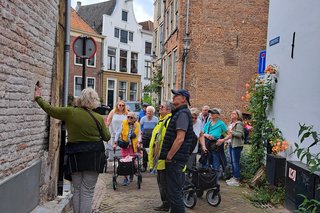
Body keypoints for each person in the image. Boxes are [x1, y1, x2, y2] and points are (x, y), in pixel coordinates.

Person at [34, 86, 110, 213]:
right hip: (94, 156)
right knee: (88, 191)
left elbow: (51, 110)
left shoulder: (70, 112)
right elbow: (107, 137)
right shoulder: (98, 117)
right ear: (94, 101)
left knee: (77, 189)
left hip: (75, 155)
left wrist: (38, 98)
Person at [159, 89, 194, 213]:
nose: (173, 97)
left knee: (174, 193)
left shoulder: (182, 114)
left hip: (175, 159)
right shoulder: (179, 113)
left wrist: (169, 155)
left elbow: (180, 138)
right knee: (172, 192)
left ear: (183, 99)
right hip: (176, 159)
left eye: (176, 95)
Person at [148, 101, 173, 212]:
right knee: (161, 182)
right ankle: (166, 203)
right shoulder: (161, 121)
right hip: (159, 158)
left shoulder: (168, 121)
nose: (160, 107)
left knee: (163, 183)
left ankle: (167, 204)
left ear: (168, 110)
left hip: (163, 159)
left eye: (162, 106)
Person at [114, 111, 141, 186]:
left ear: (134, 119)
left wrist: (138, 142)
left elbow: (139, 134)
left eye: (131, 117)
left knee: (132, 160)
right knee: (124, 161)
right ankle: (126, 178)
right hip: (124, 145)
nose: (129, 118)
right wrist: (115, 143)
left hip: (133, 146)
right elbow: (118, 133)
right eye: (128, 117)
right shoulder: (123, 123)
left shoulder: (137, 125)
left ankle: (132, 173)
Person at [201, 108, 228, 177]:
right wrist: (206, 135)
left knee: (216, 160)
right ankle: (206, 175)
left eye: (213, 113)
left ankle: (215, 177)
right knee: (206, 159)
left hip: (215, 145)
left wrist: (223, 140)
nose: (211, 114)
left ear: (218, 115)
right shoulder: (208, 123)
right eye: (210, 113)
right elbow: (201, 133)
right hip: (207, 143)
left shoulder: (221, 124)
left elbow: (229, 134)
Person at [222, 110, 244, 187]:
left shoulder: (239, 124)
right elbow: (229, 135)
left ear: (238, 115)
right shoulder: (231, 123)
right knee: (232, 161)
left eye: (234, 113)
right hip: (231, 144)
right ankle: (234, 177)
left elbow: (239, 134)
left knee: (235, 162)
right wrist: (226, 141)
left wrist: (231, 131)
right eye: (231, 113)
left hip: (237, 145)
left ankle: (237, 179)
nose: (232, 114)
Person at [140, 106, 158, 171]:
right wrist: (141, 135)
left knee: (152, 152)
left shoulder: (156, 119)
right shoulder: (143, 119)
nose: (149, 113)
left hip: (153, 138)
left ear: (153, 112)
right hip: (145, 138)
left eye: (150, 112)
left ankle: (151, 167)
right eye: (148, 111)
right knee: (145, 152)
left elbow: (157, 128)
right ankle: (144, 167)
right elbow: (140, 127)